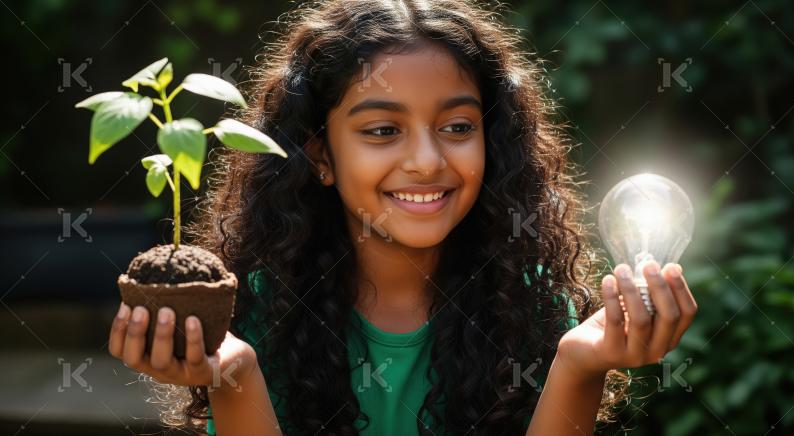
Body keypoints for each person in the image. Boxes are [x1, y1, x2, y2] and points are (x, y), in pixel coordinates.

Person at [107, 0, 698, 434]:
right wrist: (233, 376)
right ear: (321, 156)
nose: (427, 160)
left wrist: (580, 364)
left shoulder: (535, 307)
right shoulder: (261, 314)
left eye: (458, 127)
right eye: (383, 130)